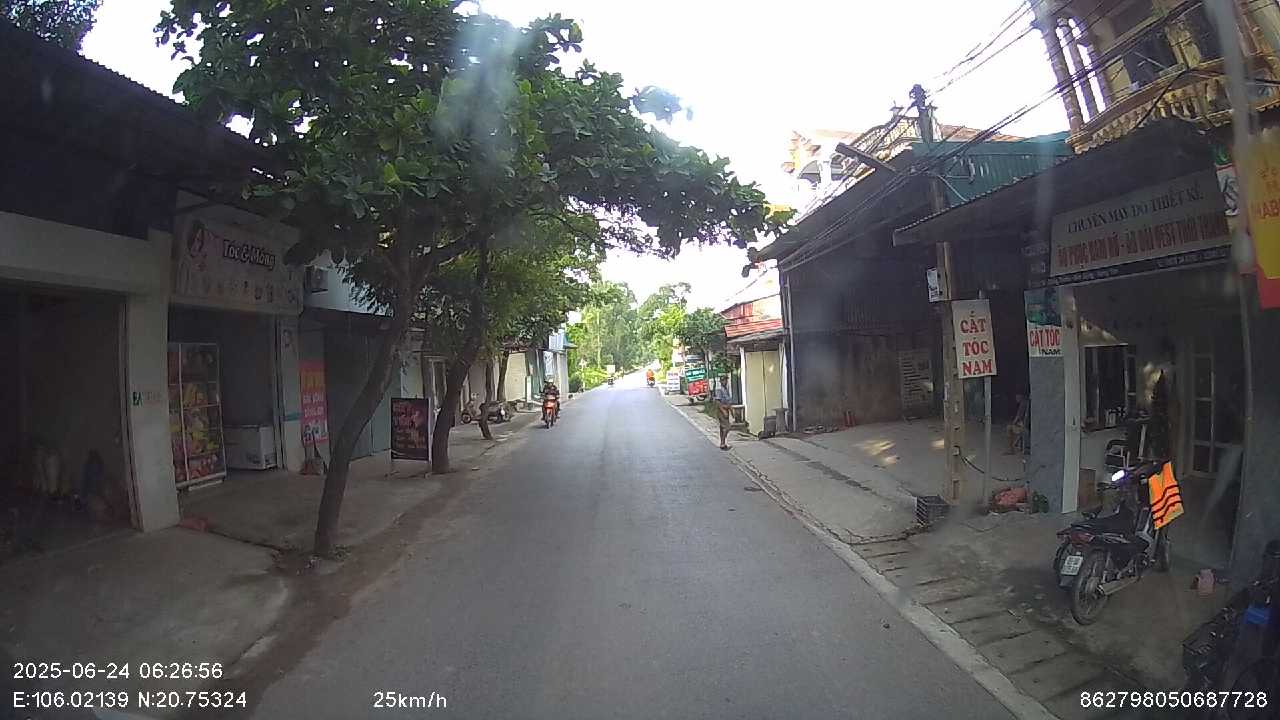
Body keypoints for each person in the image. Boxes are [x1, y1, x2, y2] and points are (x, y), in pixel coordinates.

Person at [714, 376, 733, 450]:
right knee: (727, 427)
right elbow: (718, 402)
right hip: (721, 410)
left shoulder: (725, 389)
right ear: (721, 381)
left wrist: (731, 410)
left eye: (726, 380)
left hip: (726, 409)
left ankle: (723, 443)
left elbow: (728, 401)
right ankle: (722, 442)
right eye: (724, 380)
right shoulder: (719, 389)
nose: (725, 382)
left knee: (722, 427)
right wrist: (723, 411)